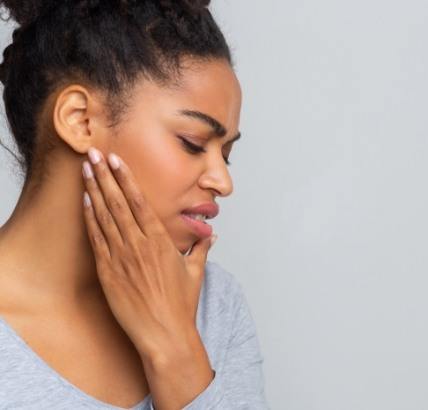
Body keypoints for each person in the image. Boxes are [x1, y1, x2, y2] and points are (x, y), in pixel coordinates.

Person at [0, 1, 269, 409]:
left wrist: (176, 350)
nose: (223, 181)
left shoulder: (216, 308)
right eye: (193, 143)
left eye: (225, 154)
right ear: (80, 120)